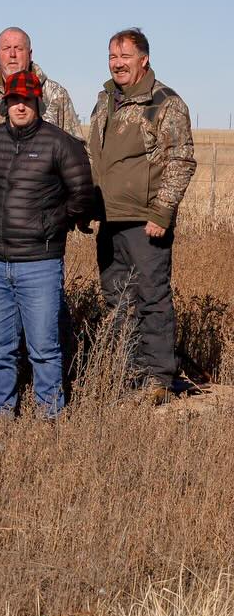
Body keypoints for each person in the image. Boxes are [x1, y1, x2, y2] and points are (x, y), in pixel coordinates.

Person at [0, 72, 94, 417]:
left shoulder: (60, 143)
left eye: (26, 100)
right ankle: (1, 411)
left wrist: (54, 221)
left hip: (40, 262)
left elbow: (82, 193)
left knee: (44, 347)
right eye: (14, 100)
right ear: (5, 102)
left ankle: (49, 415)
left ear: (38, 101)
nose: (20, 106)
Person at [87, 28, 195, 403]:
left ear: (143, 60)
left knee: (152, 296)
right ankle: (126, 373)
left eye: (125, 57)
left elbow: (181, 160)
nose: (117, 64)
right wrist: (88, 206)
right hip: (109, 217)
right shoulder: (105, 101)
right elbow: (94, 157)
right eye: (113, 57)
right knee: (116, 298)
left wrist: (162, 212)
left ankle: (158, 379)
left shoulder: (164, 103)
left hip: (145, 220)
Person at [0, 26, 81, 223]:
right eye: (6, 49)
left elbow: (78, 154)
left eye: (18, 49)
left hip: (45, 219)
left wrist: (65, 212)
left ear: (30, 54)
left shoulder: (55, 95)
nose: (12, 55)